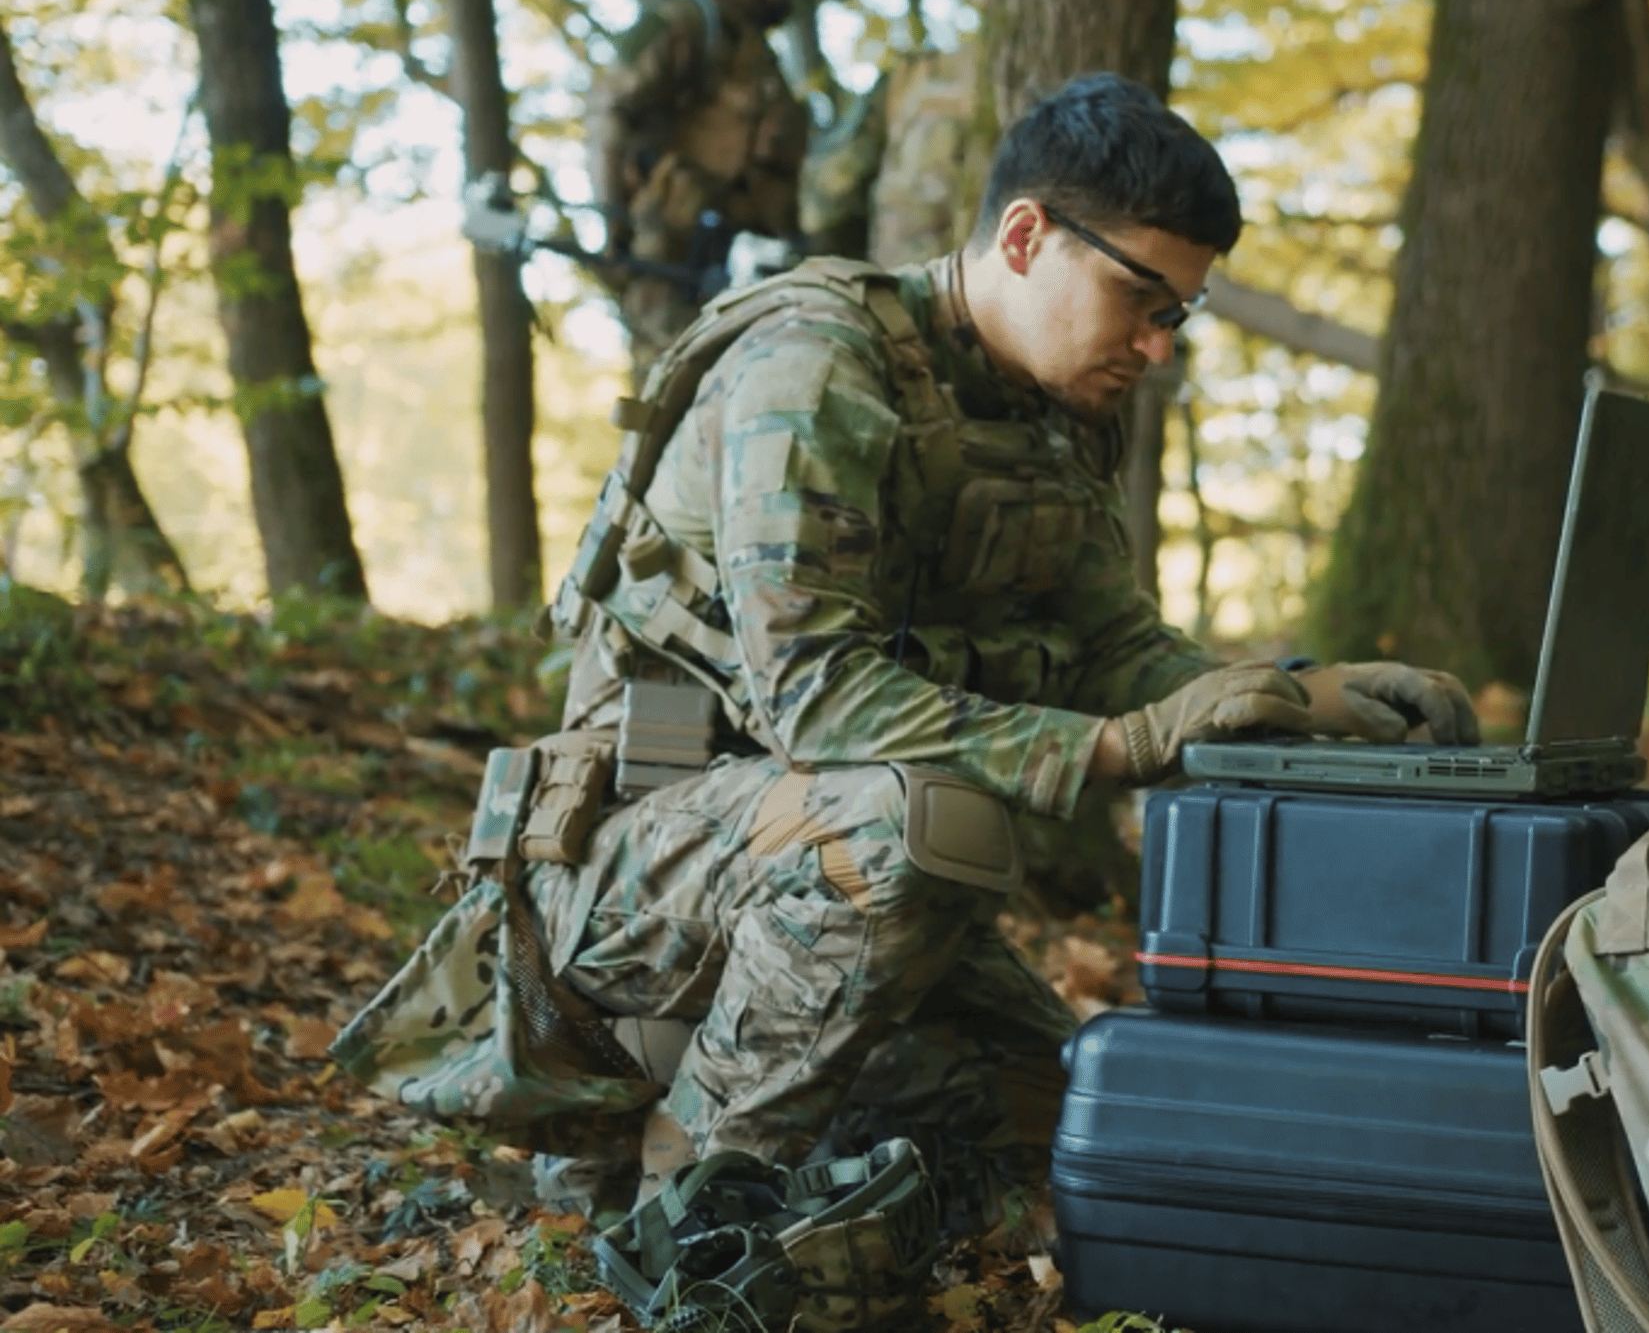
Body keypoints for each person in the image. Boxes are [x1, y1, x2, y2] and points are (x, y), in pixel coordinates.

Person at [337, 73, 1478, 1299]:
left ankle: (791, 1177)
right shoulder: (816, 368)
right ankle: (686, 1204)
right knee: (918, 828)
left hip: (816, 878)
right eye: (1140, 299)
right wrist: (1115, 747)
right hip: (631, 880)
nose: (1155, 347)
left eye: (1178, 316)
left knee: (1085, 1127)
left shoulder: (1056, 408)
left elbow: (1112, 647)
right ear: (1029, 235)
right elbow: (817, 703)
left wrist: (1302, 695)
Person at [587, 0, 856, 378]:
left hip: (742, 276)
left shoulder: (755, 56)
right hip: (674, 270)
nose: (794, 0)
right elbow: (610, 113)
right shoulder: (685, 21)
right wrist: (615, 228)